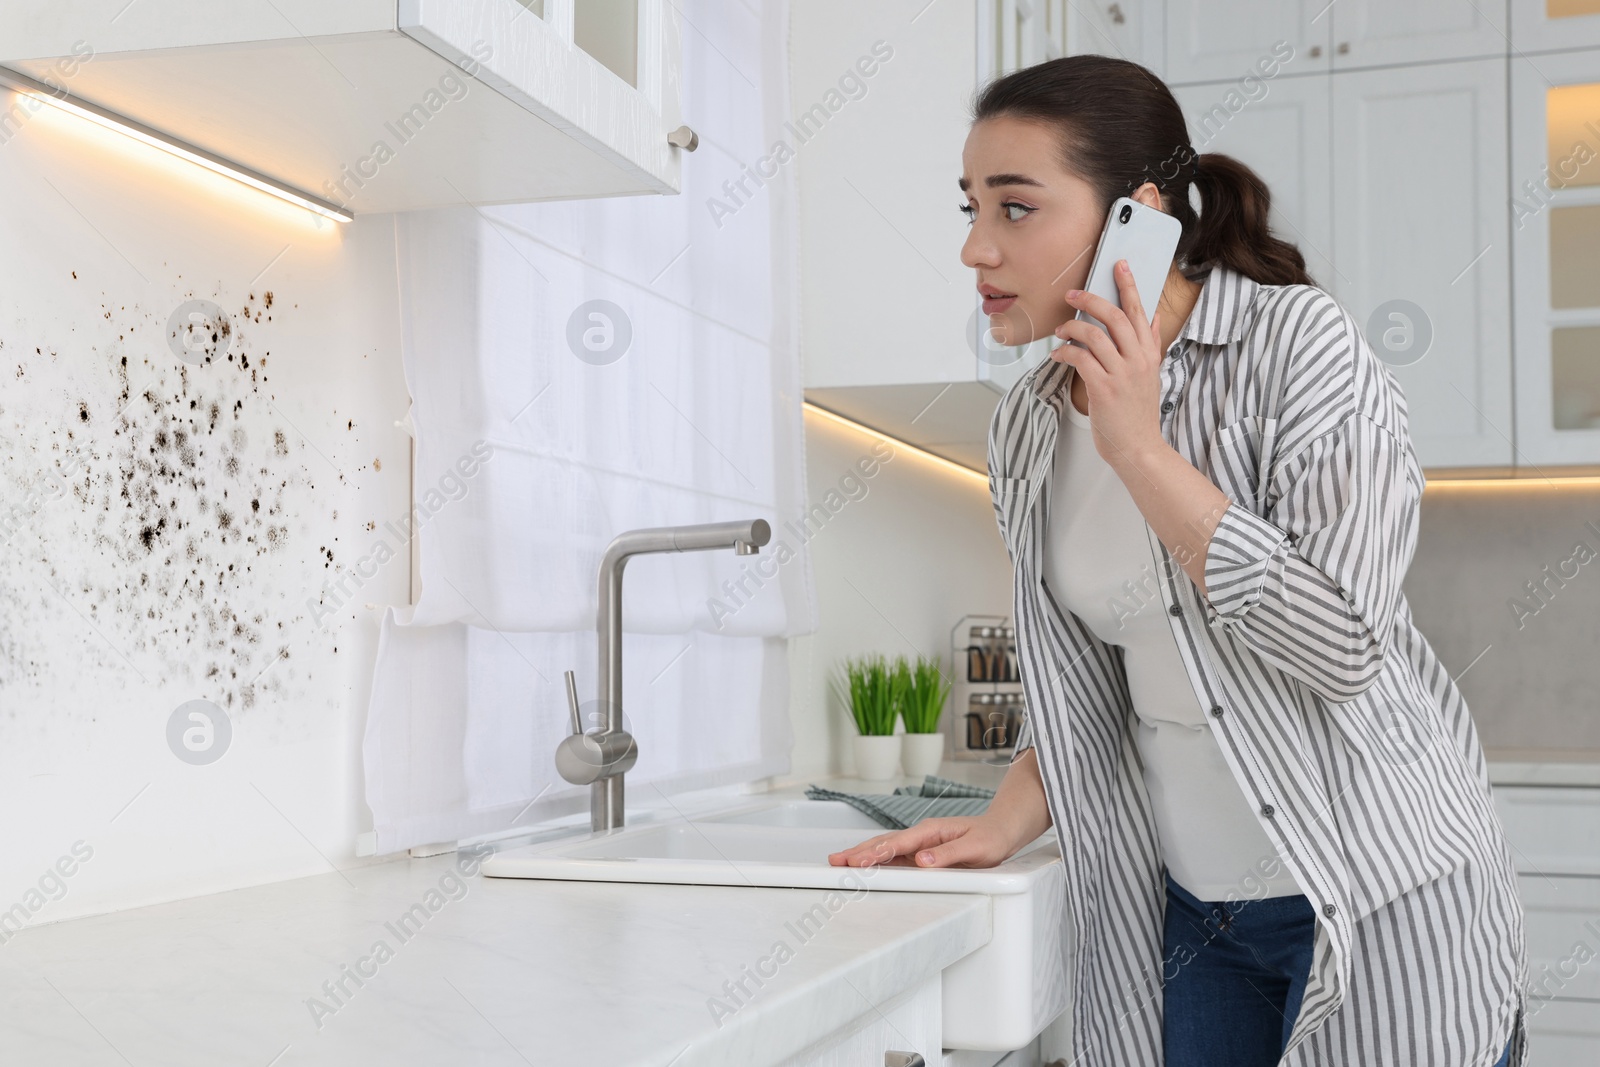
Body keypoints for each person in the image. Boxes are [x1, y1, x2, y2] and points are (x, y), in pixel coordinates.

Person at [827, 54, 1526, 1067]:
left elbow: (1342, 642)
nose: (977, 247)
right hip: (1193, 917)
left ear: (1137, 214)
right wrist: (1008, 813)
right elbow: (1090, 681)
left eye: (1016, 208)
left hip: (1375, 896)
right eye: (970, 206)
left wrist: (1140, 451)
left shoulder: (1297, 346)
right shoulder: (1025, 423)